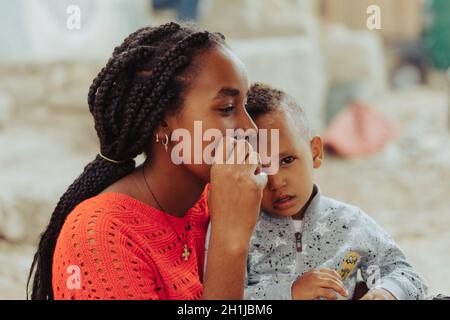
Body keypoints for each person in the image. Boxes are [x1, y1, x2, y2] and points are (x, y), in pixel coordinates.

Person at [27, 22, 267, 300]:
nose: (251, 130)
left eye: (245, 107)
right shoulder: (100, 236)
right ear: (163, 122)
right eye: (227, 108)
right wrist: (229, 240)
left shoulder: (218, 199)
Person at [242, 83, 428, 300]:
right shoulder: (241, 232)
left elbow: (405, 274)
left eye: (287, 160)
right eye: (259, 168)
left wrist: (385, 292)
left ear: (315, 152)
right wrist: (290, 293)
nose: (275, 180)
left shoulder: (350, 223)